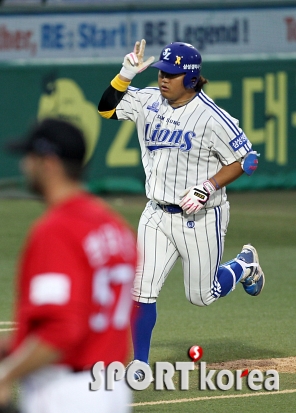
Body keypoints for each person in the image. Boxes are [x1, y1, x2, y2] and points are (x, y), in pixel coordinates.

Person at [97, 40, 265, 379]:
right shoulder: (147, 100)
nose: (162, 79)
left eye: (171, 75)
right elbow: (106, 110)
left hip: (202, 217)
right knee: (140, 288)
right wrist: (124, 75)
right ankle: (140, 363)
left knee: (202, 296)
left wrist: (209, 187)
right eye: (161, 72)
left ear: (190, 79)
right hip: (157, 214)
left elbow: (247, 160)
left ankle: (244, 264)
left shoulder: (212, 117)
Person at [0, 118, 137, 413]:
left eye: (29, 158)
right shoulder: (115, 227)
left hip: (66, 394)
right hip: (112, 390)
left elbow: (63, 328)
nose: (24, 166)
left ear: (48, 163)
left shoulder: (57, 230)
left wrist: (5, 375)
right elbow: (93, 316)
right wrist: (22, 347)